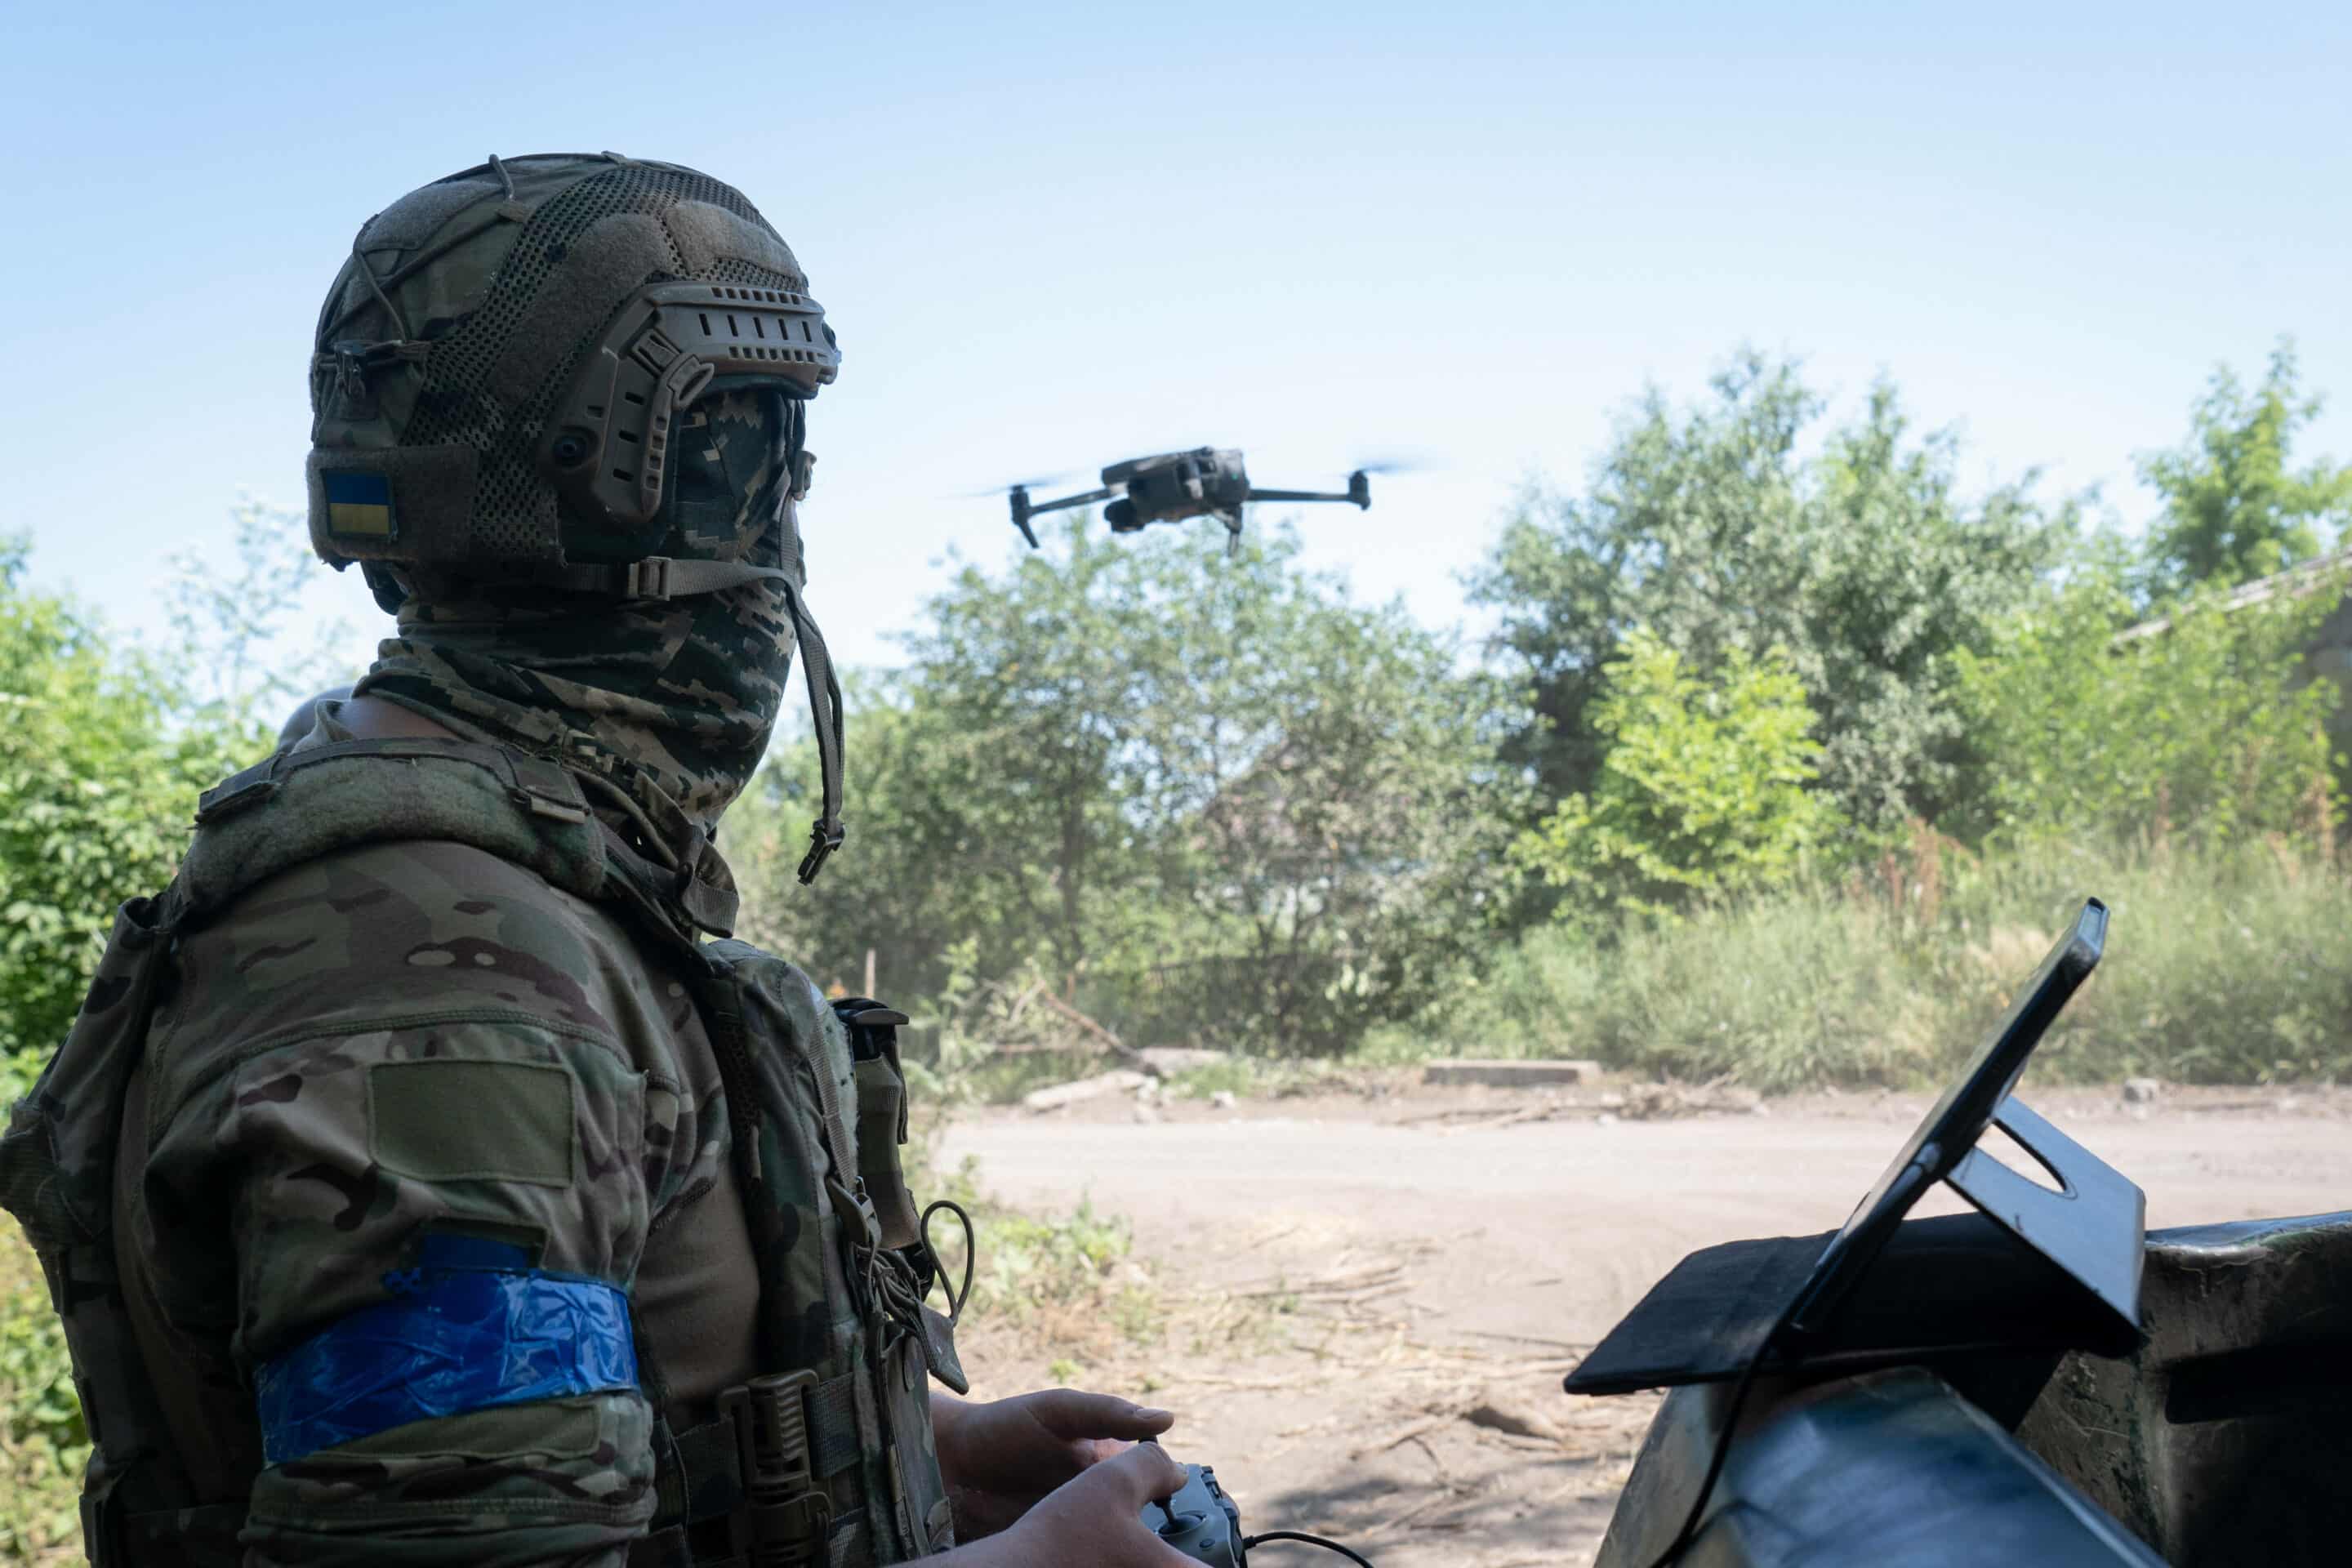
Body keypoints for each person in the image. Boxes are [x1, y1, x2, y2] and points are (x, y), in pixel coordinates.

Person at [0, 153, 1199, 1566]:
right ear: (622, 480)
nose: (786, 530)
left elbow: (591, 1411)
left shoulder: (531, 890)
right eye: (751, 455)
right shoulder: (442, 977)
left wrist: (912, 1460)